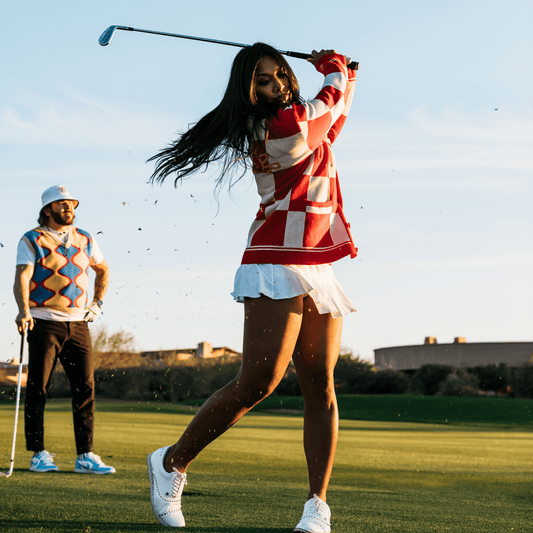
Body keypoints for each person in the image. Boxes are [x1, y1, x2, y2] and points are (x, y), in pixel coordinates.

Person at [146, 45, 357, 532]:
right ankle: (171, 463)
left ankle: (316, 505)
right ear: (248, 90)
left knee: (321, 386)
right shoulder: (275, 127)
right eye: (263, 80)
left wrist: (348, 77)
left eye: (279, 74)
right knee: (258, 382)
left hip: (316, 260)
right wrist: (333, 69)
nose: (277, 83)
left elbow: (334, 116)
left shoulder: (302, 120)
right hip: (275, 257)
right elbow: (323, 111)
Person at [13, 185, 116, 475]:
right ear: (47, 210)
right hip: (43, 320)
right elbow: (22, 276)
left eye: (71, 203)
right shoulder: (31, 239)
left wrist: (98, 303)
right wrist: (23, 311)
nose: (68, 208)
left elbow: (103, 269)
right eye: (61, 204)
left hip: (79, 322)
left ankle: (85, 455)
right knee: (38, 388)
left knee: (85, 387)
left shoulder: (85, 237)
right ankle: (38, 454)